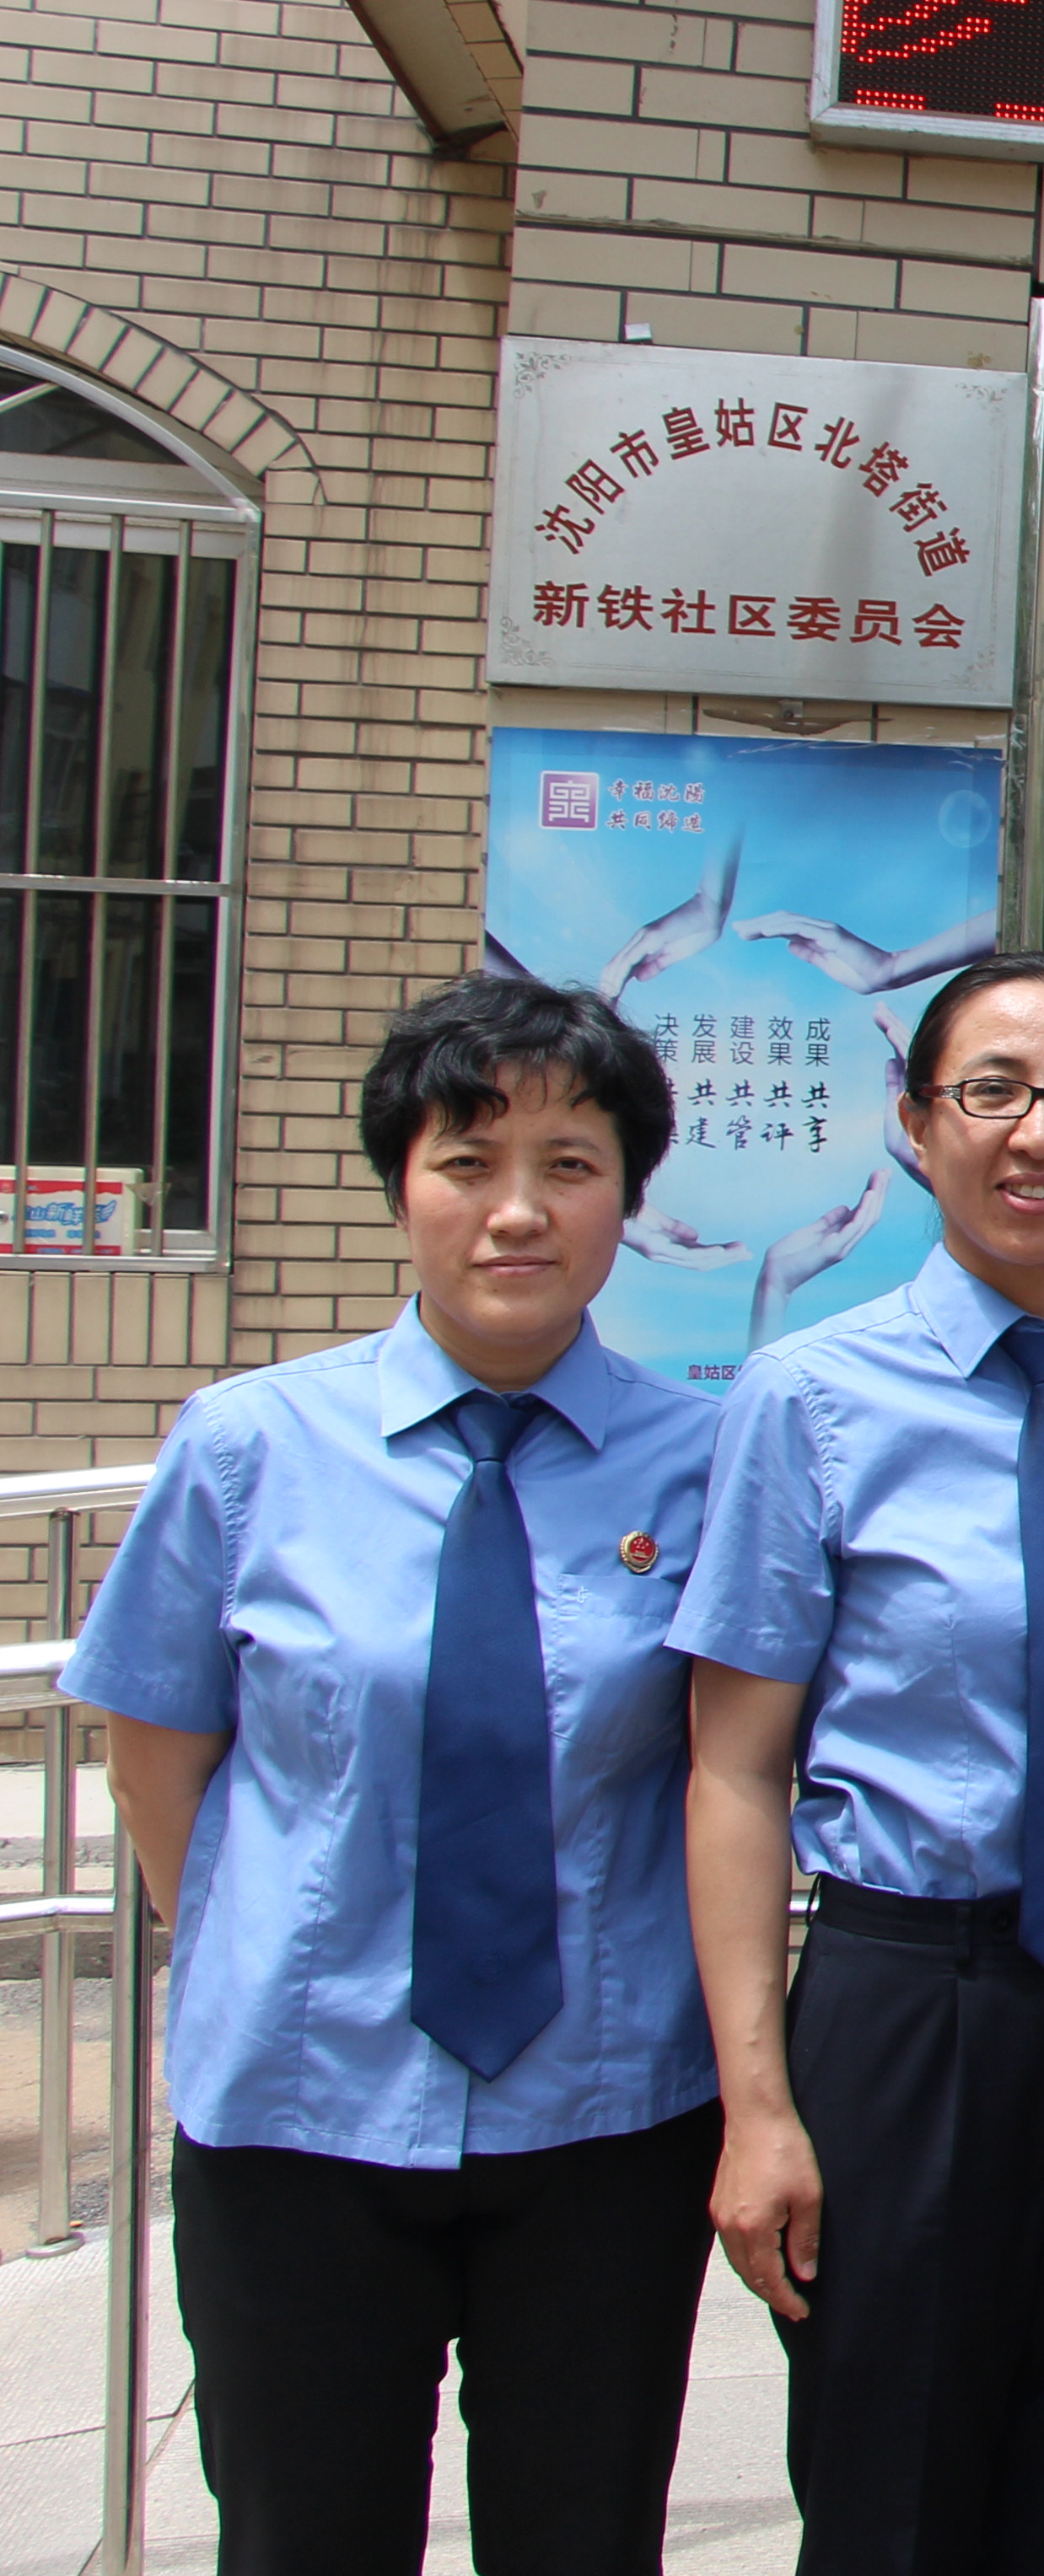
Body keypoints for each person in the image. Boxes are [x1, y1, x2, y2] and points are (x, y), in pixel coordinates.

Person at [73, 974, 719, 2576]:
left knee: (583, 2540)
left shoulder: (706, 1462)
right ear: (399, 1184)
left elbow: (727, 1765)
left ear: (631, 1198)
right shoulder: (249, 1447)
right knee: (304, 2536)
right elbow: (157, 1757)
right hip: (303, 2108)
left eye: (570, 1165)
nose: (519, 1211)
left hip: (604, 2113)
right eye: (467, 1161)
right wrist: (272, 1951)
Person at [675, 953, 1044, 2573]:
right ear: (915, 1123)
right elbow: (733, 1774)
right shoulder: (808, 1401)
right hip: (909, 2001)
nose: (1038, 1132)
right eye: (993, 1090)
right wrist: (755, 2107)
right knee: (894, 2487)